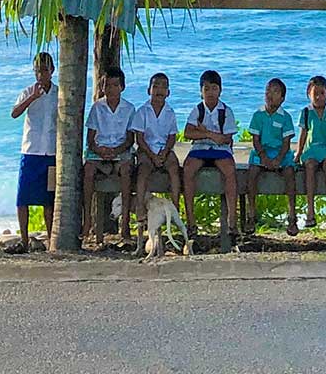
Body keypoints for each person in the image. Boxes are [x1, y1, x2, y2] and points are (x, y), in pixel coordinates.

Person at [182, 68, 239, 246]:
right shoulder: (198, 109)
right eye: (206, 89)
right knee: (188, 169)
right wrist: (211, 135)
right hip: (200, 148)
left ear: (220, 90)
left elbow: (227, 138)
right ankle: (191, 220)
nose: (210, 93)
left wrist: (205, 132)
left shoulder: (226, 111)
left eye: (214, 88)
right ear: (201, 91)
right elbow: (188, 133)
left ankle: (232, 220)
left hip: (221, 150)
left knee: (229, 171)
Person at [82, 66, 135, 246]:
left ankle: (125, 222)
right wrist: (100, 150)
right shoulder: (97, 107)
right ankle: (87, 219)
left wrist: (117, 151)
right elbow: (90, 138)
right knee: (88, 170)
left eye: (114, 85)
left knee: (127, 171)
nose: (110, 89)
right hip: (100, 150)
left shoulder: (129, 108)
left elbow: (130, 138)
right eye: (107, 85)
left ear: (122, 87)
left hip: (119, 150)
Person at [131, 69, 182, 254]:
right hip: (147, 150)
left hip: (164, 150)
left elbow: (172, 136)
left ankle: (175, 207)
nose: (159, 90)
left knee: (175, 169)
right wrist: (152, 155)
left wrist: (165, 152)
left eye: (163, 87)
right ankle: (140, 208)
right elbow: (140, 137)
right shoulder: (142, 111)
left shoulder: (170, 112)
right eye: (155, 86)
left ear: (168, 92)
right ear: (149, 90)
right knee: (143, 170)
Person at [10, 51, 57, 252]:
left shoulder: (59, 92)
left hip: (51, 151)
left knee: (49, 201)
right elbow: (15, 113)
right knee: (23, 199)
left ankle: (49, 240)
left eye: (44, 70)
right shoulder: (28, 91)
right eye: (37, 71)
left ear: (52, 71)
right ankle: (24, 239)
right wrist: (32, 98)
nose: (40, 75)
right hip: (31, 150)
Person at [248, 76, 299, 236]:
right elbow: (255, 140)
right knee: (252, 173)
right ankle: (251, 213)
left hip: (280, 153)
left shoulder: (285, 117)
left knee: (290, 174)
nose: (270, 94)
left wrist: (278, 159)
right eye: (268, 90)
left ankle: (292, 215)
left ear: (282, 98)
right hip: (261, 152)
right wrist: (263, 157)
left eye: (275, 91)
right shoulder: (258, 115)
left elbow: (286, 142)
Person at [295, 73, 326, 230]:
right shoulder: (306, 112)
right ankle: (310, 212)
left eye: (322, 93)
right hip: (311, 150)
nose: (319, 97)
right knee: (310, 168)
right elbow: (303, 134)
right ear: (309, 94)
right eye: (315, 94)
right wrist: (299, 153)